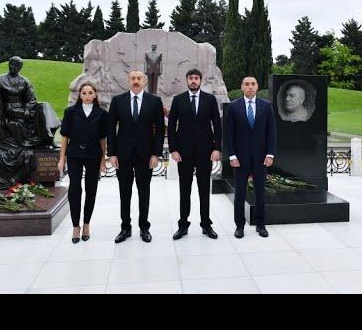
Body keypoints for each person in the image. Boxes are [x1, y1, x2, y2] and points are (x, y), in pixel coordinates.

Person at [0, 56, 61, 189]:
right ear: (9, 65)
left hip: (23, 110)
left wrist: (28, 110)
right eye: (13, 65)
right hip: (9, 111)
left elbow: (32, 99)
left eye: (18, 66)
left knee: (44, 106)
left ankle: (48, 137)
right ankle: (42, 137)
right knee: (23, 117)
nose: (15, 68)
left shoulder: (24, 81)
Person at [108, 70, 165, 243]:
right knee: (124, 193)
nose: (136, 81)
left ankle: (144, 228)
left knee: (144, 192)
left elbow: (160, 130)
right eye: (132, 78)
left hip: (145, 155)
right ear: (128, 81)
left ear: (144, 81)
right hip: (123, 155)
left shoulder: (155, 101)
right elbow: (111, 129)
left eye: (139, 78)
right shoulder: (117, 101)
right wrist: (112, 153)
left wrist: (156, 154)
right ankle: (125, 228)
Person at [168, 69, 222, 240]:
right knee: (185, 190)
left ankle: (206, 225)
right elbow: (171, 127)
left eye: (196, 78)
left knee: (204, 190)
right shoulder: (178, 100)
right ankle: (183, 225)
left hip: (205, 153)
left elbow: (217, 126)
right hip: (183, 154)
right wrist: (173, 149)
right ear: (187, 80)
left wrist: (216, 148)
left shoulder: (210, 99)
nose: (193, 81)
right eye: (190, 78)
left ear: (200, 81)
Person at [225, 76, 276, 238]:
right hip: (240, 158)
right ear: (242, 87)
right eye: (247, 84)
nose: (250, 87)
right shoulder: (233, 107)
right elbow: (229, 134)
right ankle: (239, 225)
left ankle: (260, 225)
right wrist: (232, 156)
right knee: (240, 192)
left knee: (260, 192)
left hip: (261, 158)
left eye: (253, 84)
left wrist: (270, 154)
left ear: (257, 87)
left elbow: (271, 133)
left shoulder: (267, 107)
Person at [57, 83, 108, 244]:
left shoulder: (101, 114)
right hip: (74, 155)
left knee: (91, 189)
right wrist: (61, 158)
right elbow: (64, 137)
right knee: (74, 189)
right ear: (80, 95)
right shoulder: (70, 112)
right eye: (84, 93)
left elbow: (103, 139)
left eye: (90, 92)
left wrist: (103, 160)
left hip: (93, 155)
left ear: (95, 95)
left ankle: (86, 224)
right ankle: (75, 226)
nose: (87, 95)